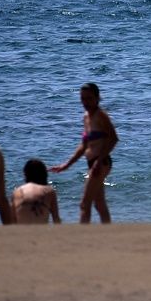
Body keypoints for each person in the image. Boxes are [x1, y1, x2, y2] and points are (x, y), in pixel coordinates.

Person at [51, 82, 119, 224]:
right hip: (92, 163)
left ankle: (82, 235)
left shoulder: (101, 116)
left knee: (84, 203)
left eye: (89, 98)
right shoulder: (86, 117)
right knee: (99, 203)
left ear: (97, 98)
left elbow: (113, 139)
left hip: (101, 163)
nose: (85, 102)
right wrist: (66, 165)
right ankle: (109, 233)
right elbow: (84, 145)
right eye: (82, 98)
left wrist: (98, 163)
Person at [12, 159, 61, 224]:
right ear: (44, 175)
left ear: (26, 174)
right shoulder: (49, 191)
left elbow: (12, 219)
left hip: (21, 231)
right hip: (41, 232)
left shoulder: (17, 191)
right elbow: (56, 219)